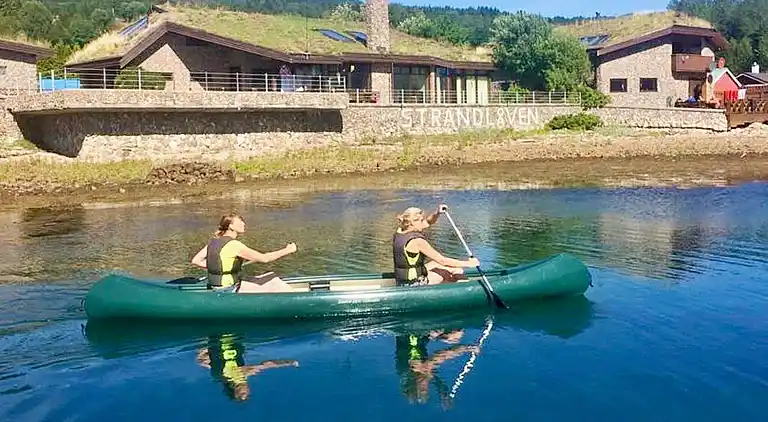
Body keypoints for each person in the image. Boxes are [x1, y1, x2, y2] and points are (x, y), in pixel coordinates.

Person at [191, 213, 297, 293]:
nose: (244, 223)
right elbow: (264, 258)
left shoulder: (213, 242)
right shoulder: (234, 245)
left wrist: (220, 267)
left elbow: (196, 261)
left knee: (270, 275)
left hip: (215, 287)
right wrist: (287, 250)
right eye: (240, 222)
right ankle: (296, 301)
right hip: (228, 290)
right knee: (274, 282)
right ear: (231, 226)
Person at [393, 204, 480, 286]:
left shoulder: (400, 231)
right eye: (421, 220)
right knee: (455, 269)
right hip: (414, 284)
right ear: (413, 222)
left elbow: (428, 222)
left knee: (435, 264)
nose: (423, 222)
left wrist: (437, 213)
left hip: (402, 280)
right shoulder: (417, 241)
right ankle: (467, 289)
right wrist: (469, 263)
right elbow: (443, 260)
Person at [196, 333, 299, 401]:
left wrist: (288, 363)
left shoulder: (238, 374)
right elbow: (267, 365)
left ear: (234, 391)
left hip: (221, 339)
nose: (245, 393)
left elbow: (267, 364)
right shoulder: (223, 376)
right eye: (247, 394)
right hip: (226, 340)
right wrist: (287, 363)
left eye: (241, 394)